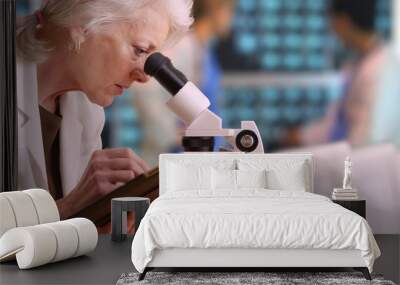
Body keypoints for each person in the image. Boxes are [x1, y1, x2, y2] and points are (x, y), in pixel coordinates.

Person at [16, 0, 193, 219]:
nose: (144, 77)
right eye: (139, 50)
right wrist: (69, 209)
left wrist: (104, 219)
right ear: (81, 23)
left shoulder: (87, 112)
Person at [130, 0, 235, 165]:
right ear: (216, 8)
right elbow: (145, 89)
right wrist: (171, 137)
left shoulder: (203, 49)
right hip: (176, 157)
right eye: (230, 11)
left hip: (205, 156)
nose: (231, 18)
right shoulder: (183, 46)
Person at [286, 0, 394, 148]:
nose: (332, 29)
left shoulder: (380, 69)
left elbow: (364, 138)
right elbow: (337, 124)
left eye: (332, 21)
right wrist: (301, 136)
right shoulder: (357, 65)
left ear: (343, 21)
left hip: (359, 162)